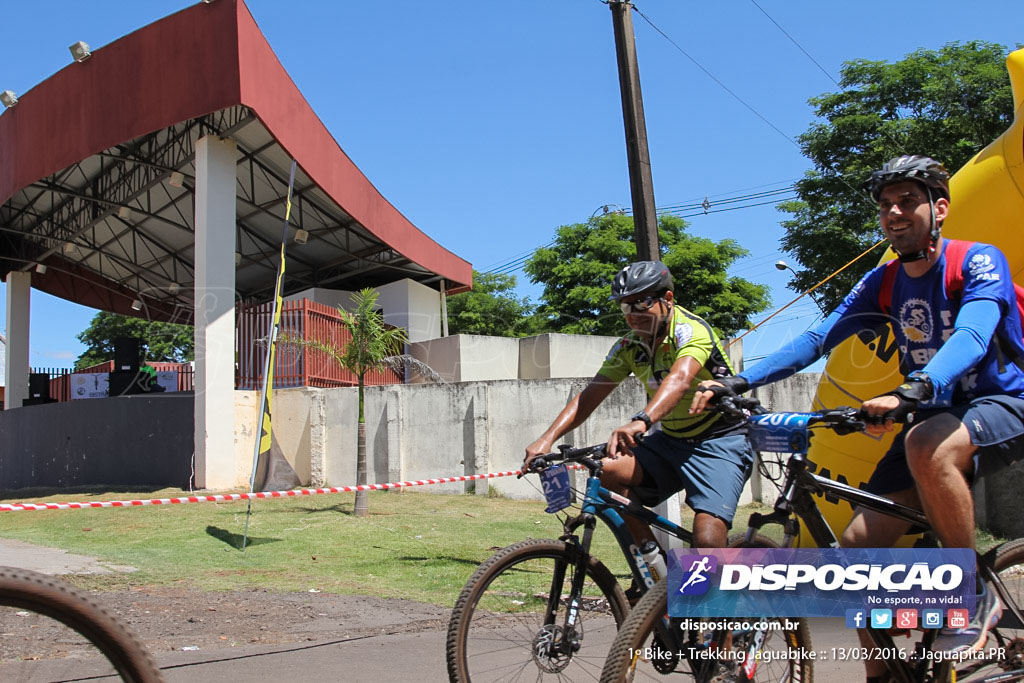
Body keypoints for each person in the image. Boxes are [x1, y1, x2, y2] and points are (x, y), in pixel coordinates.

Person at [690, 155, 1021, 671]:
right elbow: (819, 338)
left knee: (924, 441)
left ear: (940, 208)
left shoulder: (977, 260)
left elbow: (974, 335)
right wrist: (740, 377)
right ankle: (883, 672)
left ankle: (972, 595)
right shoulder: (884, 280)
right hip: (930, 414)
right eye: (886, 205)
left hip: (1002, 402)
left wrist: (915, 387)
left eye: (907, 201)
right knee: (856, 551)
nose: (894, 213)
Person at [524, 260, 756, 596]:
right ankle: (653, 564)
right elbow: (589, 396)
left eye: (642, 302)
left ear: (668, 299)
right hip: (672, 440)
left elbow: (679, 380)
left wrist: (642, 420)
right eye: (625, 305)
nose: (632, 312)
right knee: (604, 472)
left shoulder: (690, 330)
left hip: (721, 439)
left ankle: (721, 638)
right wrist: (545, 439)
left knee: (706, 538)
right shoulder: (628, 346)